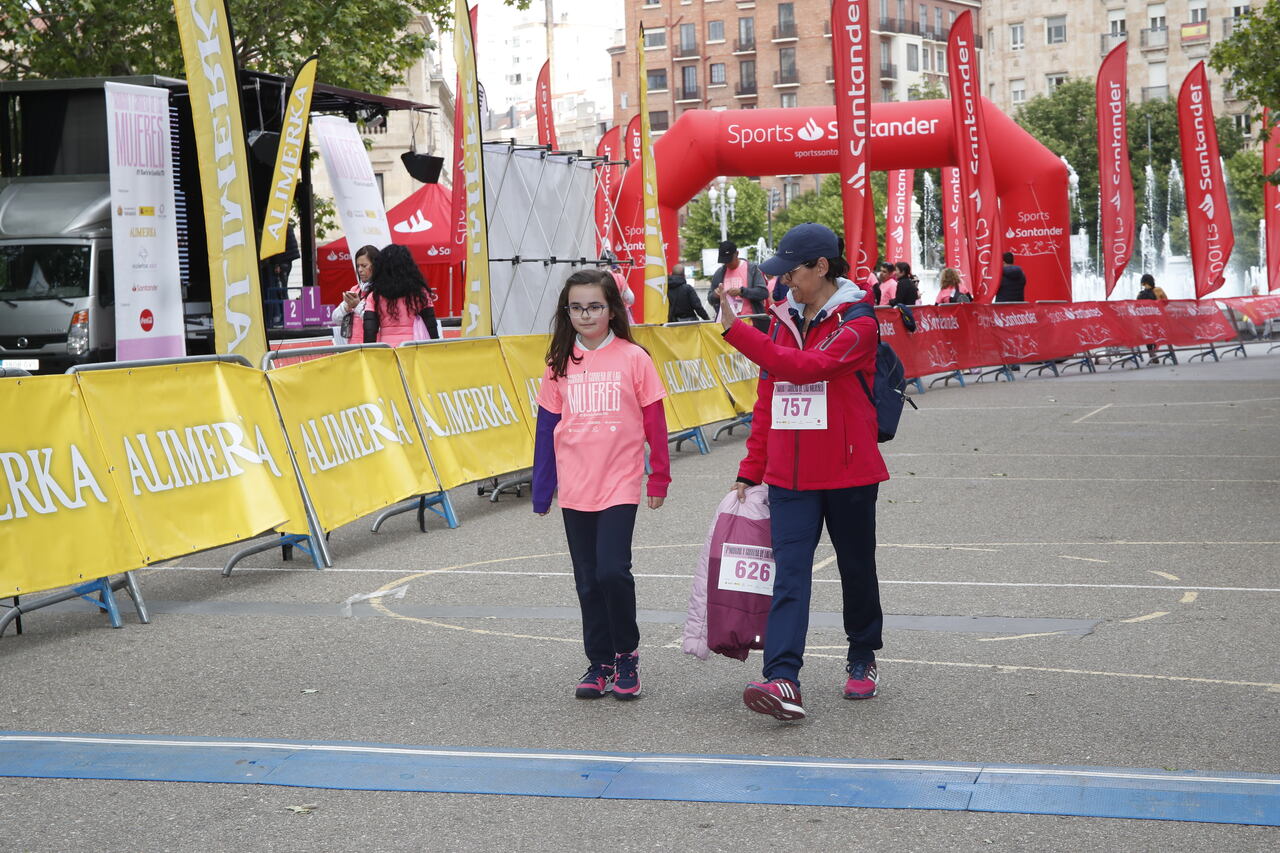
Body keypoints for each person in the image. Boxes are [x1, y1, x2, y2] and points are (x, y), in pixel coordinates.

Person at [717, 223, 889, 722]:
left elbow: (806, 368)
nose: (784, 280)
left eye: (792, 271)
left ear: (821, 266)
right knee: (788, 576)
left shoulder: (859, 322)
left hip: (849, 471)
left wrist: (737, 333)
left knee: (857, 569)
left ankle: (862, 654)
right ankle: (782, 678)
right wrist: (751, 470)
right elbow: (768, 398)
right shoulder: (781, 319)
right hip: (790, 476)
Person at [532, 269, 671, 701]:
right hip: (576, 486)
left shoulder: (634, 358)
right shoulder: (559, 363)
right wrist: (542, 487)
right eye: (576, 307)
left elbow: (655, 421)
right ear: (566, 312)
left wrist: (659, 477)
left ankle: (626, 653)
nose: (585, 314)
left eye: (594, 306)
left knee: (613, 571)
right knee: (587, 579)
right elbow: (546, 428)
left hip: (620, 482)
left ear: (612, 310)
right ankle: (600, 661)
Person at [360, 244, 440, 346]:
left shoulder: (374, 296)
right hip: (414, 348)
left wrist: (369, 352)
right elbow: (431, 326)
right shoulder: (420, 293)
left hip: (387, 350)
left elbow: (369, 330)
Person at [707, 240, 770, 332]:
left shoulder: (752, 269)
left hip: (752, 324)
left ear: (737, 253)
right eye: (725, 262)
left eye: (729, 260)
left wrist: (741, 292)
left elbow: (763, 293)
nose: (728, 264)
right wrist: (715, 295)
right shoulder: (719, 273)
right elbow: (710, 299)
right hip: (728, 326)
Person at [331, 244, 379, 344]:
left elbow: (378, 323)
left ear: (375, 265)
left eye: (364, 266)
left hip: (373, 347)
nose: (360, 270)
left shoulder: (382, 291)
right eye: (358, 266)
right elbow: (336, 319)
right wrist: (346, 307)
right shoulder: (355, 289)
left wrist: (357, 306)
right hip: (353, 346)